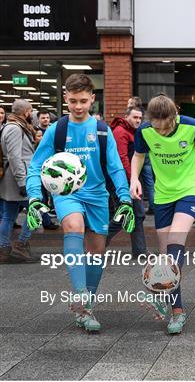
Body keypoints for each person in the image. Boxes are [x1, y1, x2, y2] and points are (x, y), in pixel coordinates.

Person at [26, 74, 135, 332]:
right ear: (65, 98)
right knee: (73, 227)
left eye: (83, 101)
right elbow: (36, 166)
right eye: (73, 100)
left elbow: (116, 168)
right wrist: (34, 197)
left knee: (97, 253)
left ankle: (86, 311)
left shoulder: (101, 130)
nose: (77, 106)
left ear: (92, 99)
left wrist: (125, 198)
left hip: (97, 196)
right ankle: (79, 294)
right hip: (68, 193)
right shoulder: (57, 130)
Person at [130, 94, 195, 334]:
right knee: (165, 254)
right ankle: (176, 311)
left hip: (190, 189)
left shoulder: (191, 125)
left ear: (174, 116)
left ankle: (156, 292)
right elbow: (138, 155)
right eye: (156, 127)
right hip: (162, 194)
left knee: (174, 242)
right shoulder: (145, 131)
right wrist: (134, 180)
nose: (161, 132)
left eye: (166, 126)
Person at [0, 100, 38, 263]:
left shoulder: (12, 126)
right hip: (18, 179)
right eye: (31, 111)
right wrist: (22, 182)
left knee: (8, 215)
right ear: (25, 113)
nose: (32, 114)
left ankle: (4, 249)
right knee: (37, 212)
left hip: (12, 178)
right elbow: (15, 157)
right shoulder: (15, 129)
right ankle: (20, 245)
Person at [107, 104, 148, 256]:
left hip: (128, 180)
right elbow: (121, 159)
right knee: (128, 214)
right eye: (135, 117)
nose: (138, 120)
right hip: (123, 182)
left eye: (140, 118)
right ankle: (97, 245)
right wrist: (133, 180)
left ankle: (140, 251)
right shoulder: (120, 132)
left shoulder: (131, 132)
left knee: (136, 215)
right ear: (126, 117)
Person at [129, 97, 156, 215]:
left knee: (138, 180)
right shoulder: (144, 119)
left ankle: (139, 208)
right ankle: (153, 206)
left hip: (141, 154)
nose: (128, 104)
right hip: (147, 154)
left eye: (130, 103)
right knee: (149, 182)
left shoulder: (135, 118)